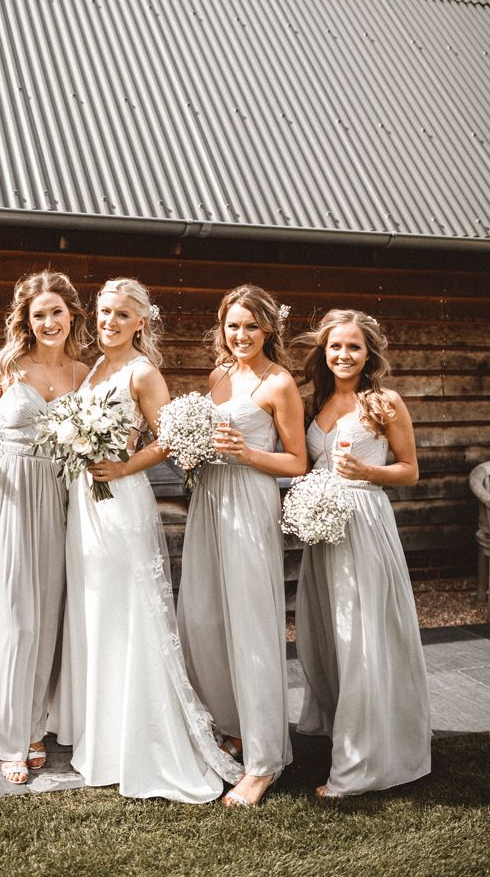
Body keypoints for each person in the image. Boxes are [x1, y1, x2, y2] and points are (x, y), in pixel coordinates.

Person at [50, 278, 242, 802]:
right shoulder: (94, 368)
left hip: (121, 502)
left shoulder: (142, 372)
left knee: (127, 611)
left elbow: (169, 439)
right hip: (85, 505)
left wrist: (124, 465)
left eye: (120, 315)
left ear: (141, 322)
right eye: (104, 312)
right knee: (96, 612)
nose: (108, 321)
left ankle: (145, 739)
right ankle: (103, 731)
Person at [177, 284, 307, 808]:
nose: (241, 335)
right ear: (221, 328)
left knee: (251, 621)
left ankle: (264, 760)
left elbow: (297, 462)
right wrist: (192, 451)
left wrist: (248, 454)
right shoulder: (219, 376)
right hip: (209, 499)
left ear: (269, 330)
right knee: (205, 615)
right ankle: (231, 724)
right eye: (233, 325)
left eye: (252, 326)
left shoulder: (280, 384)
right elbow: (210, 439)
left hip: (251, 503)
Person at [0, 269, 90, 784]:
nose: (49, 321)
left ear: (72, 315)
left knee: (49, 617)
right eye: (40, 314)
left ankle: (36, 724)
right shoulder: (5, 365)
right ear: (26, 321)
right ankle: (10, 734)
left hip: (59, 499)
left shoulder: (84, 375)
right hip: (11, 500)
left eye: (58, 312)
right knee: (13, 617)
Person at [293, 309, 431, 799]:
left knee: (362, 635)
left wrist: (368, 473)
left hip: (366, 524)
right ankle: (342, 730)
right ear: (323, 352)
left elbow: (411, 469)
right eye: (335, 346)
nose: (343, 355)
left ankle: (361, 763)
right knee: (327, 632)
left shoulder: (384, 401)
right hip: (323, 529)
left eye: (353, 347)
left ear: (369, 352)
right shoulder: (316, 401)